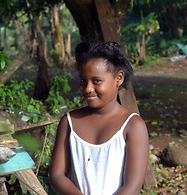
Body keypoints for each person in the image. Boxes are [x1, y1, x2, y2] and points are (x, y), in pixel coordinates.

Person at [50, 41, 149, 195]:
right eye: (83, 80)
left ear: (119, 78)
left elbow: (133, 186)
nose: (88, 88)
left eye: (96, 81)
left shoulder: (133, 125)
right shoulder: (69, 122)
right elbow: (57, 176)